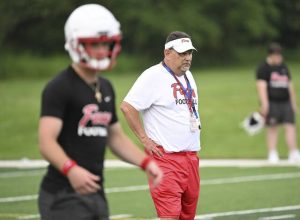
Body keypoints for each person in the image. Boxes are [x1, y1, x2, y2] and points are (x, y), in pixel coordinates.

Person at [38, 4, 162, 220]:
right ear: (76, 44)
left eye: (106, 43)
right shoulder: (59, 87)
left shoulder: (105, 87)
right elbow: (46, 142)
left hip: (95, 192)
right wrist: (71, 169)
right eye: (95, 44)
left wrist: (146, 162)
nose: (103, 49)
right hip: (63, 194)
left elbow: (115, 137)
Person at [121, 31, 201, 220]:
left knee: (187, 216)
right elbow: (127, 107)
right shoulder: (153, 76)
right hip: (166, 159)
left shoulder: (188, 76)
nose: (187, 58)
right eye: (182, 53)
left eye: (189, 53)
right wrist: (144, 139)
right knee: (169, 215)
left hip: (191, 158)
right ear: (167, 53)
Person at [256, 42, 300, 164]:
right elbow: (261, 87)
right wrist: (265, 104)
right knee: (272, 127)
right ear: (270, 55)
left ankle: (294, 152)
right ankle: (272, 153)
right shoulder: (263, 68)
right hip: (272, 102)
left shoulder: (283, 67)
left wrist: (293, 103)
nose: (279, 57)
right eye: (276, 55)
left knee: (290, 126)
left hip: (285, 102)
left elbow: (289, 85)